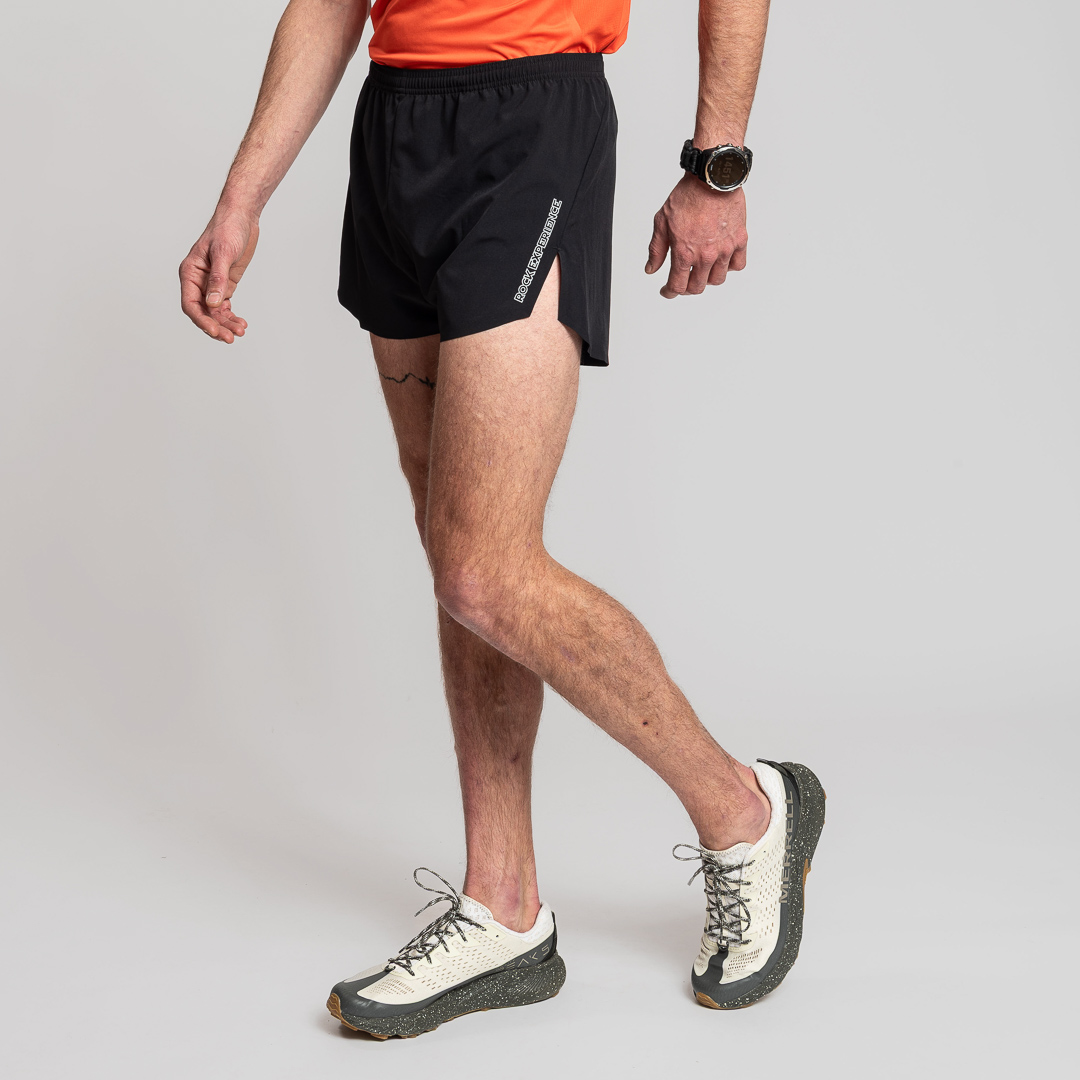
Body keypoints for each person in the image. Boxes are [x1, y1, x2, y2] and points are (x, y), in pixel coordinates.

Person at [179, 0, 825, 1039]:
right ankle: (504, 907)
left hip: (532, 124)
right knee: (452, 540)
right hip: (396, 130)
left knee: (484, 569)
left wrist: (718, 165)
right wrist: (241, 197)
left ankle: (745, 810)